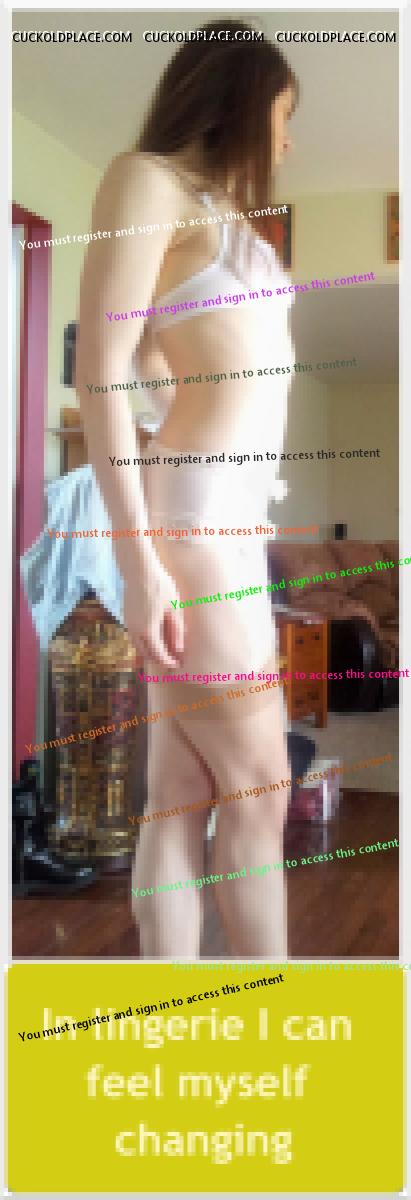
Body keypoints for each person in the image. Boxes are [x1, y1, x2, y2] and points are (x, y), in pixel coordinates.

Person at [76, 19, 298, 957]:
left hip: (225, 527)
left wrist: (181, 398)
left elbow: (163, 363)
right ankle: (265, 1018)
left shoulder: (227, 221)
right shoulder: (147, 180)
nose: (286, 142)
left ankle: (170, 1008)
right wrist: (140, 569)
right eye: (283, 117)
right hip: (195, 532)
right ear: (240, 100)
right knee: (259, 793)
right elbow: (102, 369)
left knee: (180, 794)